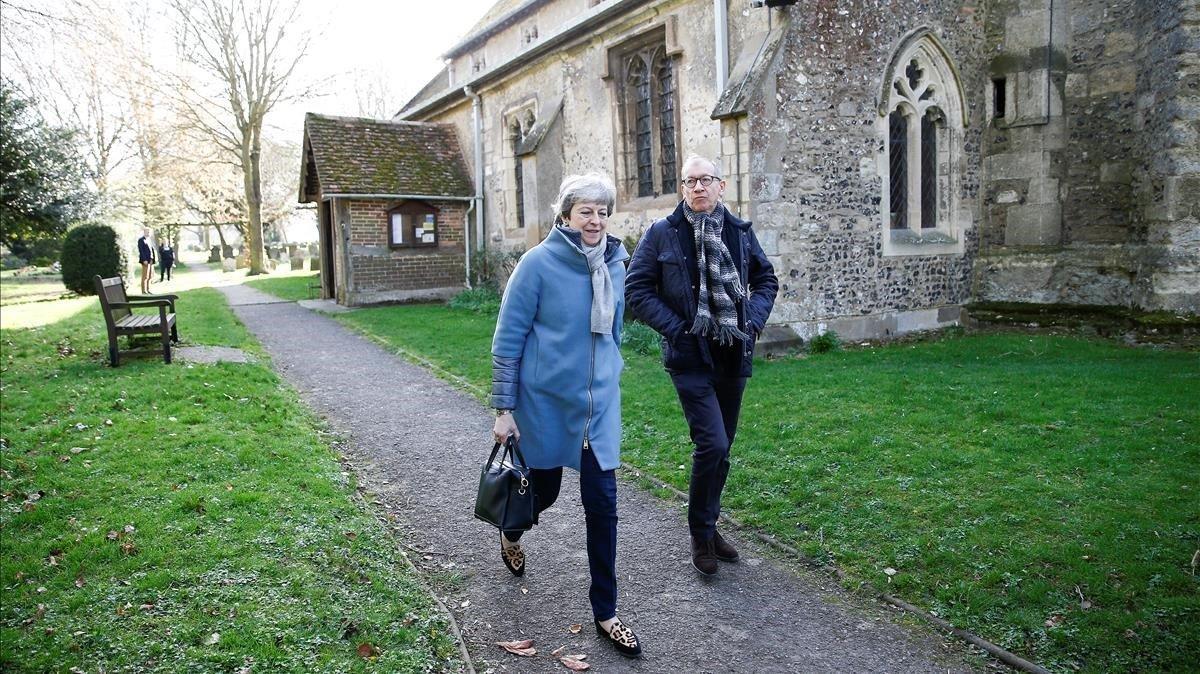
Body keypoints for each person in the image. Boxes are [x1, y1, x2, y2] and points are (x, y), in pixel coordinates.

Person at [490, 173, 642, 658]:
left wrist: (610, 369)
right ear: (566, 215)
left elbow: (614, 329)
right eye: (586, 212)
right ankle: (511, 532)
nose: (595, 220)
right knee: (546, 491)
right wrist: (504, 409)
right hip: (547, 406)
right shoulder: (536, 264)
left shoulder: (616, 262)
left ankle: (607, 612)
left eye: (602, 212)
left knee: (604, 506)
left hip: (598, 410)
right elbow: (508, 340)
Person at [625, 155, 778, 577]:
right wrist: (678, 329)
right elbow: (637, 289)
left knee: (723, 448)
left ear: (721, 185)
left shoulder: (739, 232)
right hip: (690, 357)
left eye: (705, 180)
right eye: (690, 181)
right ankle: (699, 532)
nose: (698, 188)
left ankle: (709, 527)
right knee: (712, 443)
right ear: (683, 188)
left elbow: (767, 280)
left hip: (732, 352)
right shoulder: (662, 234)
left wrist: (754, 319)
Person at [137, 229, 154, 293]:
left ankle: (148, 289)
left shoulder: (149, 240)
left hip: (151, 259)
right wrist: (144, 259)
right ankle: (143, 290)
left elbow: (151, 250)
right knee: (145, 276)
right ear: (144, 232)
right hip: (145, 260)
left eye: (149, 232)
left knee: (150, 275)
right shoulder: (141, 240)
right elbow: (141, 251)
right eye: (147, 232)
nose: (148, 233)